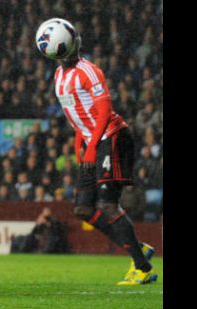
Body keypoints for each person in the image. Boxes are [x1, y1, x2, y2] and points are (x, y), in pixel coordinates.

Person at [45, 19, 157, 286]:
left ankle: (142, 268)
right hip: (91, 140)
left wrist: (93, 144)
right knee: (83, 209)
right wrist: (79, 142)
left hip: (112, 137)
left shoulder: (89, 71)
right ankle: (139, 249)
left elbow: (105, 110)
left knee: (108, 204)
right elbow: (76, 111)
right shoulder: (59, 76)